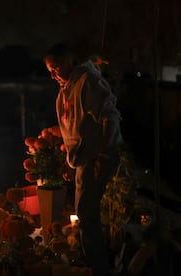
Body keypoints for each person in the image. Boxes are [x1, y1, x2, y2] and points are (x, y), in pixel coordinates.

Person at [44, 43, 123, 276]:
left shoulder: (87, 82)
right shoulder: (66, 89)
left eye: (55, 68)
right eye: (49, 70)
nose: (52, 74)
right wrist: (71, 157)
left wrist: (105, 155)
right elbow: (76, 126)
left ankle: (98, 268)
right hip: (83, 159)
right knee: (86, 212)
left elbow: (109, 116)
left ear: (69, 61)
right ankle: (94, 262)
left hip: (96, 157)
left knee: (86, 212)